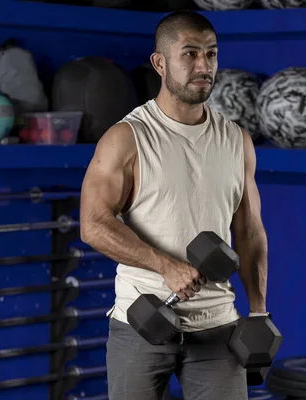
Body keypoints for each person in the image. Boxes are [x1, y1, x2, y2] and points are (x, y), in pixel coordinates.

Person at [79, 10, 270, 400]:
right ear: (160, 63)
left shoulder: (236, 140)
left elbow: (249, 232)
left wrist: (259, 311)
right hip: (141, 323)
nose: (204, 66)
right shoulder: (127, 138)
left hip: (218, 327)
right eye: (190, 54)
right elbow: (93, 224)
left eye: (211, 54)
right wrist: (165, 266)